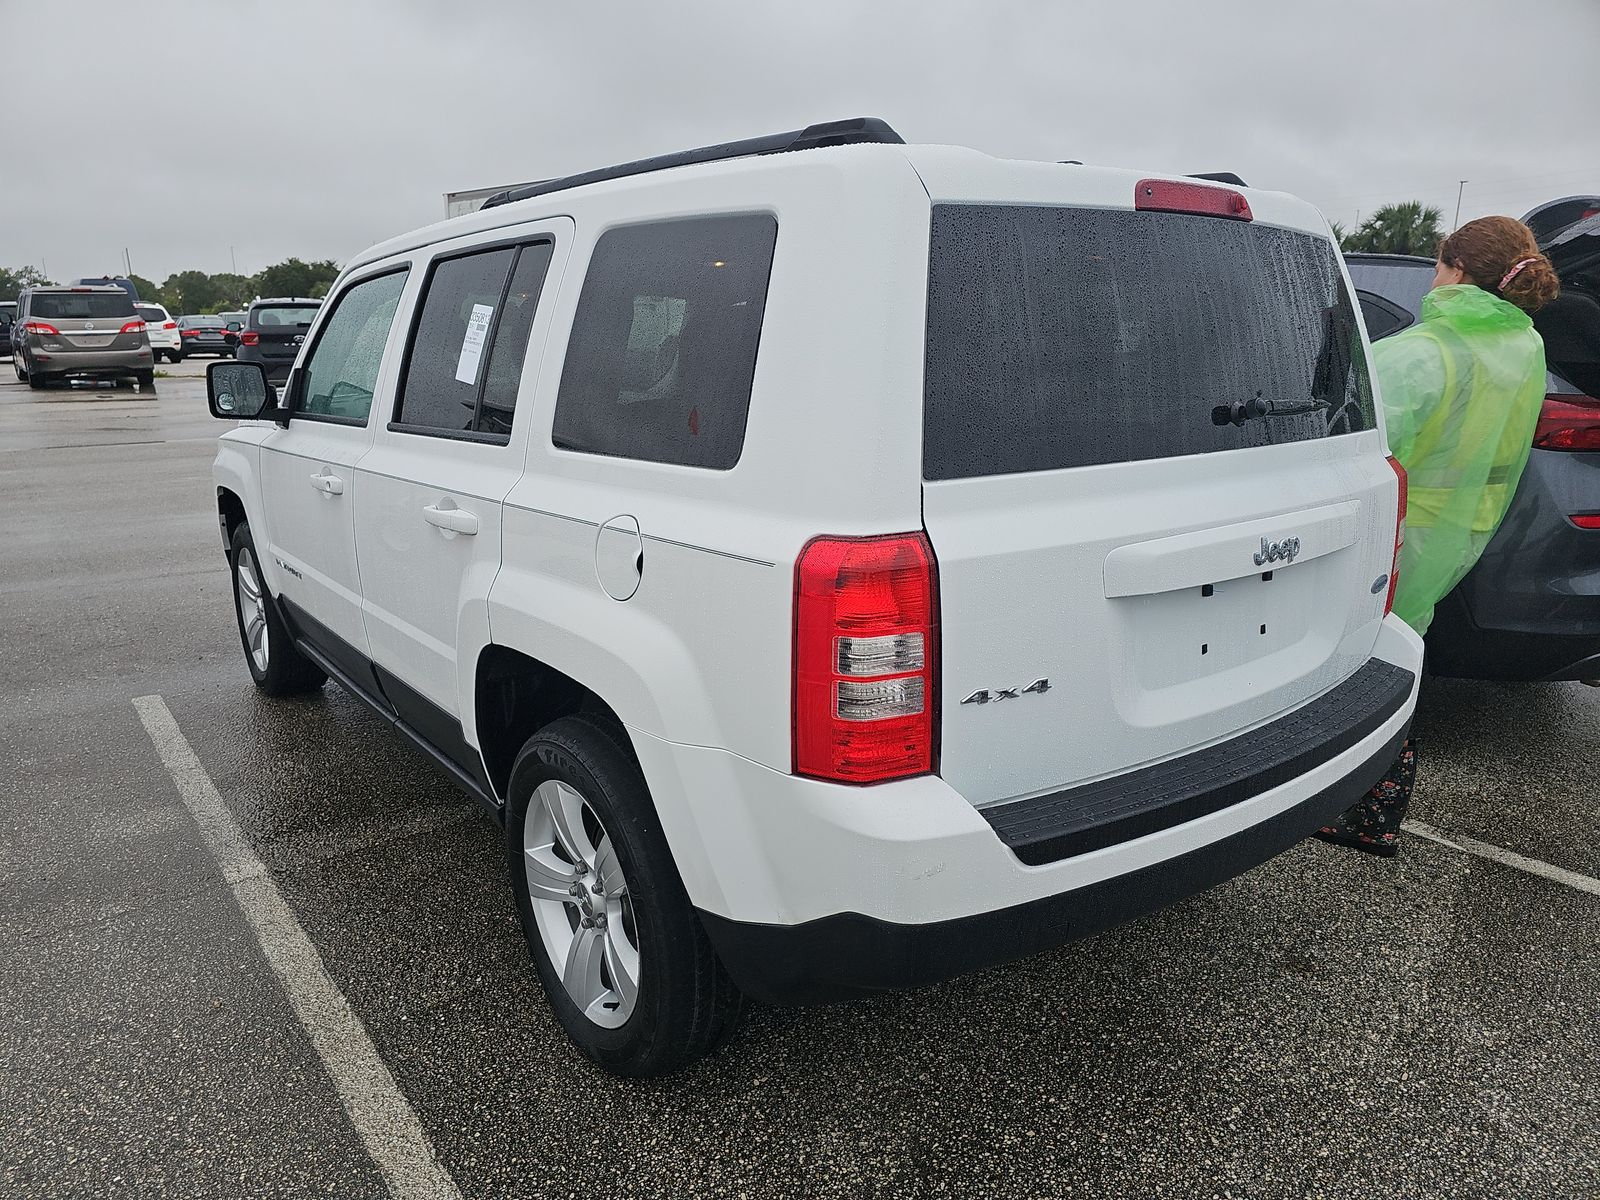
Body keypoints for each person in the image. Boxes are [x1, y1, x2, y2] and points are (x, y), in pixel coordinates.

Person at [1316, 215, 1561, 856]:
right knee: (1401, 652)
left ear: (1455, 272)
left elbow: (1345, 448)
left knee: (1353, 663)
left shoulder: (1420, 355)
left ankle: (1359, 803)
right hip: (1462, 528)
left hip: (1398, 529)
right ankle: (1374, 806)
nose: (1433, 275)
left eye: (1438, 264)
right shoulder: (1524, 345)